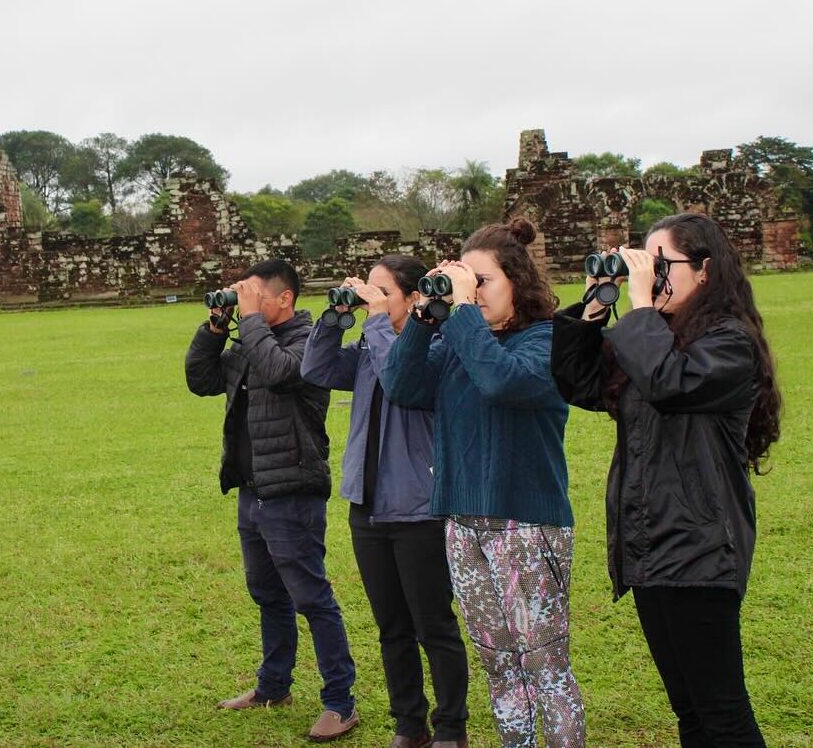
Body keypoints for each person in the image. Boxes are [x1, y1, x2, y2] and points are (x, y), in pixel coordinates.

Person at [551, 212, 780, 747]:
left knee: (723, 713)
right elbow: (579, 383)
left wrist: (638, 307)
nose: (650, 276)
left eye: (662, 264)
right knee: (690, 711)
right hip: (648, 543)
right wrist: (591, 311)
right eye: (644, 263)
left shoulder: (729, 343)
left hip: (699, 548)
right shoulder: (653, 337)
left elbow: (667, 383)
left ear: (704, 271)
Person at [381, 220, 585, 748]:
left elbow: (502, 381)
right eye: (465, 282)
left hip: (527, 524)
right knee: (498, 663)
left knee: (544, 666)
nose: (472, 293)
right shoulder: (459, 340)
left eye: (483, 281)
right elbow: (401, 386)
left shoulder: (549, 339)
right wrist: (426, 317)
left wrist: (463, 314)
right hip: (462, 523)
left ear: (517, 281)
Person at [184, 258, 359, 743]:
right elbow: (200, 380)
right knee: (267, 594)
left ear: (285, 299)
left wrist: (251, 322)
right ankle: (273, 686)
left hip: (293, 490)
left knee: (312, 597)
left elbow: (282, 373)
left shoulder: (311, 343)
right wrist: (216, 328)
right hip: (253, 488)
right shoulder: (250, 340)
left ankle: (340, 702)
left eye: (255, 295)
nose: (246, 304)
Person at [301, 255, 471, 748]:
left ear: (416, 297)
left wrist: (375, 322)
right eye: (368, 291)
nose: (372, 300)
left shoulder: (436, 349)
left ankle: (451, 729)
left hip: (418, 507)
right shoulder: (368, 348)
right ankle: (409, 726)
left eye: (383, 293)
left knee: (432, 626)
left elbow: (401, 377)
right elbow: (315, 368)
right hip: (368, 506)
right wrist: (335, 317)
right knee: (391, 626)